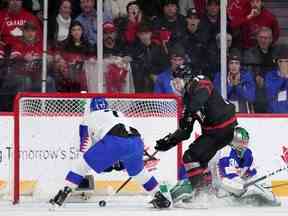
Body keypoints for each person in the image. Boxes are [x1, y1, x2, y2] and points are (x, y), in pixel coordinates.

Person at [49, 97, 171, 209]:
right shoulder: (119, 114)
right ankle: (160, 197)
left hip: (115, 141)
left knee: (81, 165)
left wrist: (106, 162)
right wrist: (119, 160)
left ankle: (62, 195)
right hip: (137, 142)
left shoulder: (88, 118)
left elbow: (85, 146)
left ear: (91, 108)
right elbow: (129, 136)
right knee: (138, 172)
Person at [151, 72, 238, 206]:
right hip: (214, 134)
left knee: (190, 157)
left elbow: (203, 93)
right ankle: (207, 193)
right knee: (197, 160)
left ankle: (201, 194)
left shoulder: (198, 82)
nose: (175, 86)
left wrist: (190, 107)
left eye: (177, 82)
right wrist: (169, 142)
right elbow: (185, 132)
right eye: (173, 83)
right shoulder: (187, 103)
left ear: (186, 79)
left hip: (224, 128)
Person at [211, 127, 280, 206]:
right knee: (247, 188)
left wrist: (250, 175)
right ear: (232, 142)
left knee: (261, 184)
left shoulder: (246, 153)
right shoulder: (226, 152)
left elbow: (252, 172)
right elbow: (225, 177)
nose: (243, 145)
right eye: (240, 142)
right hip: (222, 185)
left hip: (238, 182)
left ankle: (259, 195)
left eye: (245, 142)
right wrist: (243, 183)